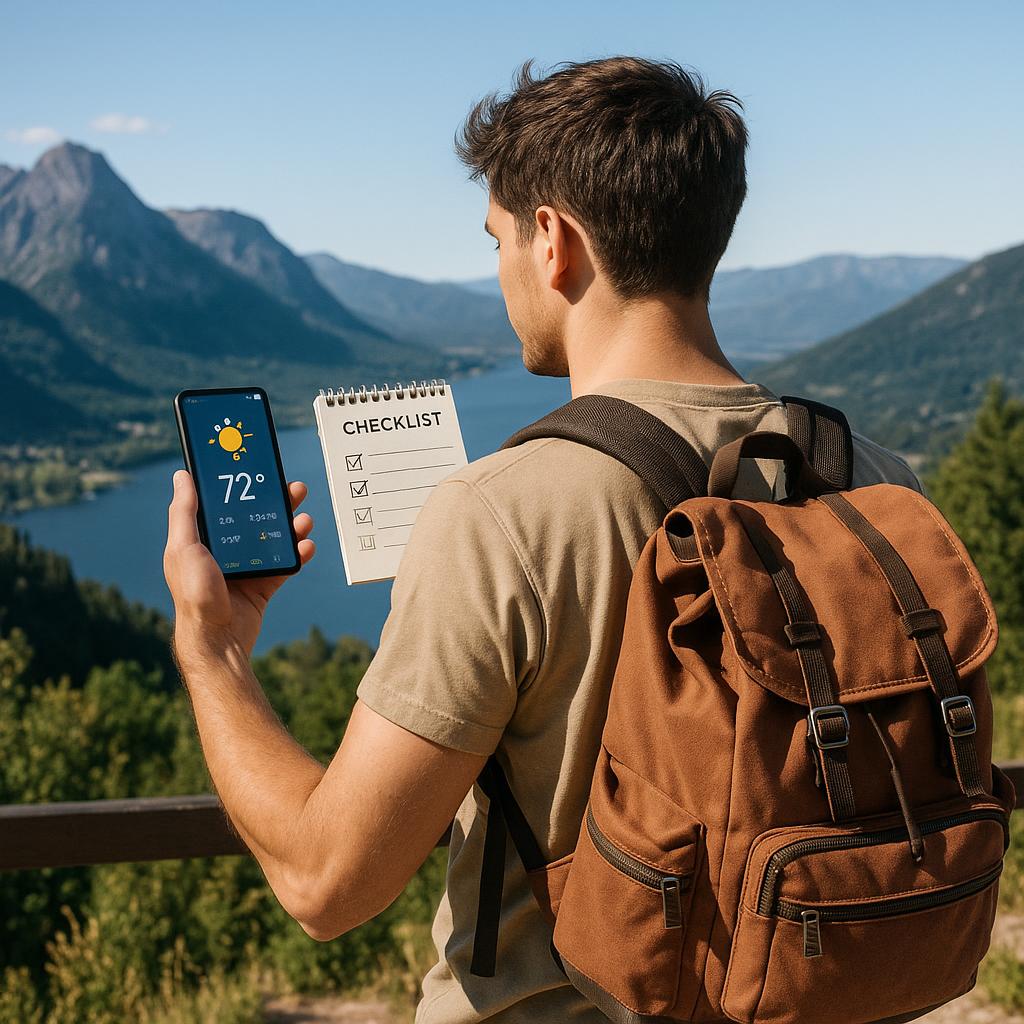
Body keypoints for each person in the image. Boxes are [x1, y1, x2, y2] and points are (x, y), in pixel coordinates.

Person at [163, 56, 923, 1024]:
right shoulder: (877, 481)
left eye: (496, 240)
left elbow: (326, 881)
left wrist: (213, 646)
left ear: (553, 243)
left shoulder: (503, 512)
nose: (499, 271)